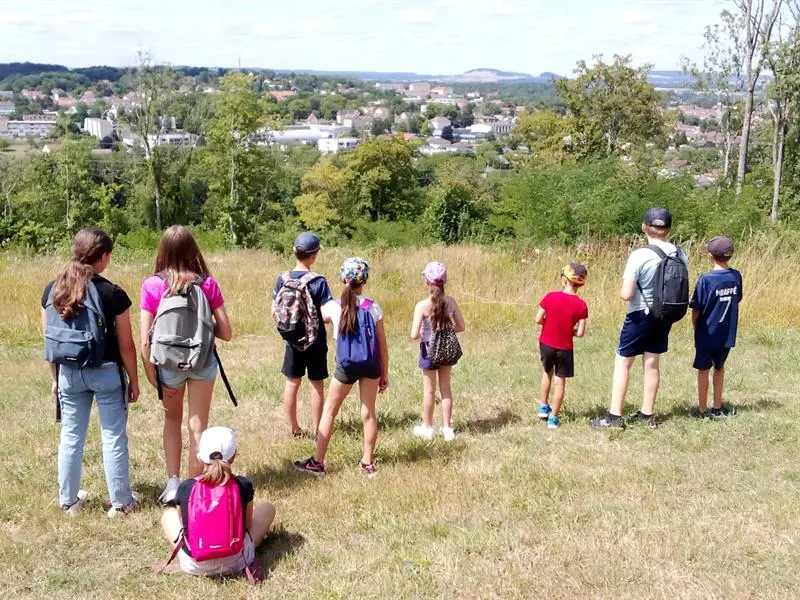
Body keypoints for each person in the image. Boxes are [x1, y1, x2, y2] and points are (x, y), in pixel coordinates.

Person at [41, 227, 141, 517]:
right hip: (106, 371)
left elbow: (51, 340)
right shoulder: (113, 293)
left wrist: (55, 379)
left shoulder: (53, 290)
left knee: (71, 435)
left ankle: (69, 501)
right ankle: (121, 502)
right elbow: (127, 346)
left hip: (69, 372)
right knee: (112, 435)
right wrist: (133, 381)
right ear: (104, 257)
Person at [140, 225, 233, 504]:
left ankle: (172, 482)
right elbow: (227, 332)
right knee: (198, 426)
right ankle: (193, 487)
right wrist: (204, 329)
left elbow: (145, 339)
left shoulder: (153, 285)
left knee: (171, 419)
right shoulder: (207, 284)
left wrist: (150, 373)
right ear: (194, 250)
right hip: (202, 360)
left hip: (168, 365)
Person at [591, 208, 688, 430]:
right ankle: (647, 414)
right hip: (666, 315)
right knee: (652, 362)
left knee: (623, 361)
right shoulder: (680, 253)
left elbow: (626, 294)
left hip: (640, 314)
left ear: (644, 227)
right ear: (669, 229)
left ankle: (614, 416)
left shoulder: (639, 255)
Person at [294, 257, 389, 477]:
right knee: (369, 413)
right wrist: (384, 373)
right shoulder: (374, 308)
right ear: (364, 280)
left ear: (343, 279)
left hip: (346, 365)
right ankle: (367, 462)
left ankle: (318, 462)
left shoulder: (334, 307)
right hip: (371, 364)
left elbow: (323, 317)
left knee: (329, 411)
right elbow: (383, 347)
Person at [161, 426, 276, 578]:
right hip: (237, 559)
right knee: (268, 508)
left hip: (194, 564)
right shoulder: (243, 485)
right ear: (234, 456)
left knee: (167, 515)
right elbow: (247, 526)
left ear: (200, 457)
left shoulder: (186, 487)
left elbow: (184, 526)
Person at [272, 232, 335, 438]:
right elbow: (326, 316)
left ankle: (294, 428)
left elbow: (275, 310)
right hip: (315, 341)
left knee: (292, 381)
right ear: (314, 256)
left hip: (292, 340)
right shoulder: (319, 282)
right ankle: (318, 430)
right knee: (316, 384)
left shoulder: (282, 279)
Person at [410, 261, 466, 441]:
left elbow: (413, 334)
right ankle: (447, 428)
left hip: (428, 349)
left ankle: (427, 427)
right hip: (447, 349)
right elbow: (461, 326)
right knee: (446, 389)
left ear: (426, 282)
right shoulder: (451, 302)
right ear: (445, 281)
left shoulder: (422, 306)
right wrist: (446, 331)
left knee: (429, 391)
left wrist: (423, 333)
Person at [691, 236, 743, 418]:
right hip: (726, 333)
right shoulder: (736, 276)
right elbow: (738, 298)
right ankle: (717, 406)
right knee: (719, 367)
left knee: (704, 369)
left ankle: (703, 409)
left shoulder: (706, 280)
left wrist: (695, 328)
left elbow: (696, 308)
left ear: (710, 255)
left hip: (707, 333)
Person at [534, 264, 589, 430]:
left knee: (547, 372)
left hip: (546, 343)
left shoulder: (550, 297)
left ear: (563, 280)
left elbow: (538, 319)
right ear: (581, 284)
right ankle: (553, 418)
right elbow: (580, 333)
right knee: (560, 382)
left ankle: (543, 407)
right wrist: (568, 330)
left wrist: (550, 324)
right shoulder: (582, 305)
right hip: (565, 348)